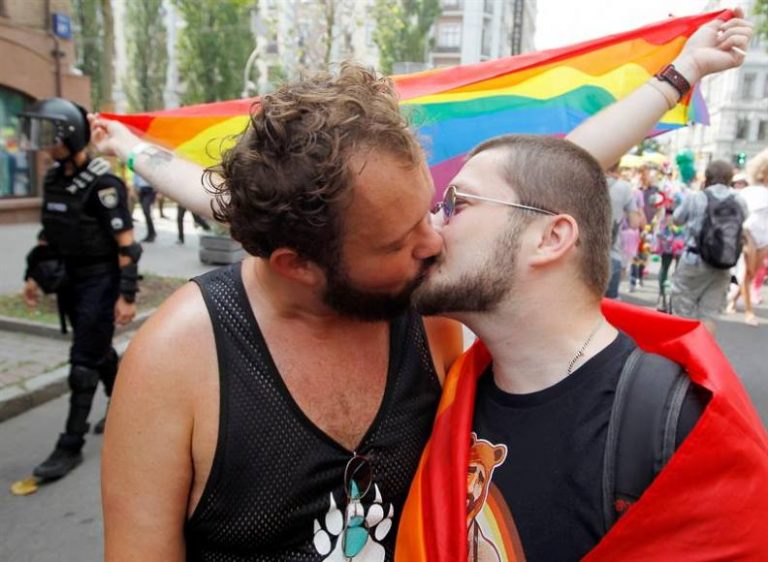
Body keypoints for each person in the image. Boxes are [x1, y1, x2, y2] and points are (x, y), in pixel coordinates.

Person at [91, 12, 753, 560]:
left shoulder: (425, 313)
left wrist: (679, 75)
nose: (433, 239)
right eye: (400, 238)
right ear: (298, 264)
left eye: (439, 209)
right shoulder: (179, 358)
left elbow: (551, 175)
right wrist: (128, 150)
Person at [399, 134, 768, 562]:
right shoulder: (454, 389)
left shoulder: (678, 423)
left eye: (456, 204)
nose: (430, 229)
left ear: (552, 237)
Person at [18, 98, 142, 480]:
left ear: (70, 135)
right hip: (70, 279)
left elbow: (127, 245)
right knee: (97, 347)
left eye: (48, 134)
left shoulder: (103, 184)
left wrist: (126, 296)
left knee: (82, 363)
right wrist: (33, 275)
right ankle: (126, 406)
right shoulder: (55, 179)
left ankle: (69, 445)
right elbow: (50, 234)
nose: (42, 143)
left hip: (100, 280)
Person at [669, 160, 747, 333]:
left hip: (694, 261)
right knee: (709, 314)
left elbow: (677, 219)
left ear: (707, 177)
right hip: (724, 262)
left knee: (684, 310)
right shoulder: (739, 200)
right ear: (730, 178)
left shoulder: (697, 197)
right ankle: (700, 356)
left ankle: (683, 356)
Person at [736, 148, 768, 326]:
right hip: (749, 237)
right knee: (747, 273)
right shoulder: (750, 192)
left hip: (764, 239)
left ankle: (734, 300)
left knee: (752, 274)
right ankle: (748, 311)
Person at [604, 163, 641, 299]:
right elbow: (634, 223)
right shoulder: (623, 187)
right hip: (611, 255)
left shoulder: (583, 180)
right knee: (610, 307)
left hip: (581, 257)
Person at [133, 172, 157, 242]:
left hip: (150, 189)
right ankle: (151, 233)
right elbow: (135, 176)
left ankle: (152, 233)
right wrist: (135, 187)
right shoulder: (136, 164)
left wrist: (158, 191)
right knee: (145, 212)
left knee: (146, 211)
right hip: (141, 190)